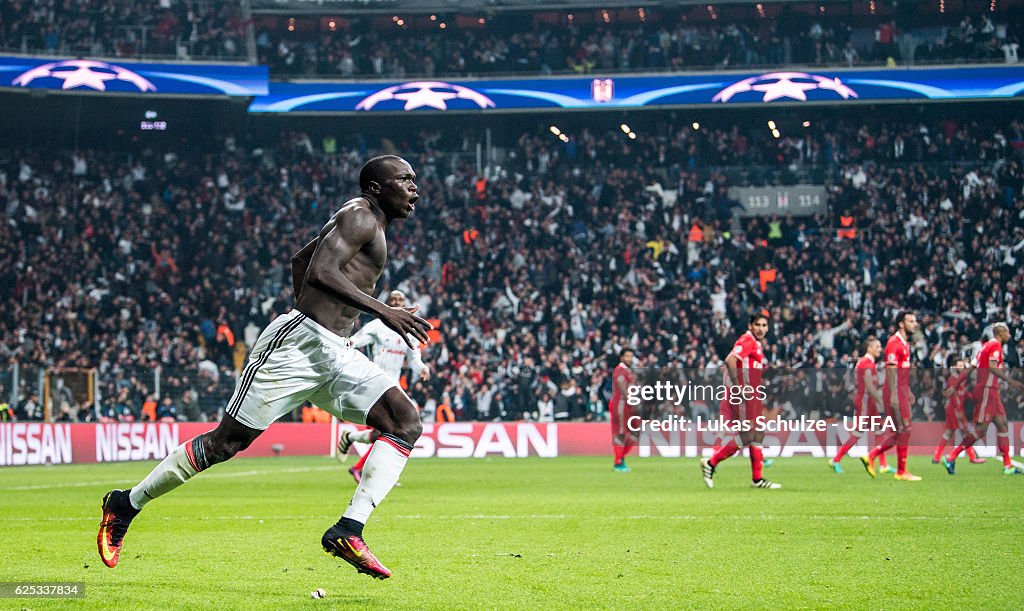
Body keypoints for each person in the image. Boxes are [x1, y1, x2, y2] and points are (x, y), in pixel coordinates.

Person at [98, 155, 432, 580]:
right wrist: (370, 312)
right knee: (225, 444)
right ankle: (125, 504)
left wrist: (326, 321)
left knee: (405, 422)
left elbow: (299, 262)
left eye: (414, 180)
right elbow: (320, 271)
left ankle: (349, 529)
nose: (414, 188)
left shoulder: (369, 222)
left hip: (337, 350)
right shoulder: (360, 216)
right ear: (375, 187)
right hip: (295, 349)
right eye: (405, 180)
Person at [338, 289, 431, 483]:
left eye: (400, 299)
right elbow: (358, 339)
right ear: (387, 303)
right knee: (392, 430)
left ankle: (354, 443)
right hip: (374, 383)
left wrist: (422, 368)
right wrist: (348, 343)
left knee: (392, 430)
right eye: (393, 299)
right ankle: (371, 469)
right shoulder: (377, 326)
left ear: (405, 303)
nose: (397, 302)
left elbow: (414, 358)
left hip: (394, 387)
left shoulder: (408, 329)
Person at [701, 312, 781, 489]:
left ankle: (757, 479)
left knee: (757, 434)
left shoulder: (756, 344)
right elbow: (730, 360)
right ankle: (711, 463)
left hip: (752, 394)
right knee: (748, 435)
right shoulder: (748, 340)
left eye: (764, 325)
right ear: (750, 325)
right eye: (757, 325)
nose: (761, 329)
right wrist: (738, 387)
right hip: (744, 396)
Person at [943, 323, 1024, 475]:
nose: (1010, 336)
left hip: (991, 391)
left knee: (1002, 424)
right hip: (987, 391)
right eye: (1008, 332)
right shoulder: (995, 346)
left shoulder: (984, 347)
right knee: (981, 429)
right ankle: (951, 456)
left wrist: (955, 385)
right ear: (1001, 333)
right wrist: (1009, 381)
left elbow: (970, 369)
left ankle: (1007, 465)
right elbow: (992, 367)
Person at [860, 311, 921, 481]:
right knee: (905, 429)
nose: (914, 324)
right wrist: (895, 393)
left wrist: (907, 390)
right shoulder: (894, 343)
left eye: (915, 321)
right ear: (901, 324)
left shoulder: (904, 344)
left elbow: (902, 372)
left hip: (900, 391)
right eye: (911, 321)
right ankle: (901, 471)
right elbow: (891, 369)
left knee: (899, 432)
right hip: (894, 392)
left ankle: (871, 457)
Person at [830, 336, 887, 473]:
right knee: (858, 432)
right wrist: (880, 401)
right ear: (869, 348)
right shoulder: (866, 363)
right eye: (877, 347)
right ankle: (835, 459)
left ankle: (883, 465)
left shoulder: (865, 362)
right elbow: (868, 385)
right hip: (865, 401)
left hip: (869, 400)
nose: (880, 349)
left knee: (879, 429)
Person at [931, 359, 984, 465]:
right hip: (955, 409)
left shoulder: (961, 378)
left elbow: (962, 392)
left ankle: (936, 456)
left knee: (948, 432)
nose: (961, 367)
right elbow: (954, 395)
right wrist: (958, 410)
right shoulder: (953, 378)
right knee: (965, 432)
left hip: (952, 409)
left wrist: (973, 397)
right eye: (959, 365)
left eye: (962, 365)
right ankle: (972, 457)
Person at [609, 348, 637, 472]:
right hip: (620, 405)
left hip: (628, 405)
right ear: (622, 358)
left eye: (631, 356)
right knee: (620, 433)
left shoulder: (629, 371)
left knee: (635, 433)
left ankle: (621, 457)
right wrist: (631, 400)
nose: (629, 359)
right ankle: (618, 463)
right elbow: (622, 388)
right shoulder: (619, 370)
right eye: (627, 356)